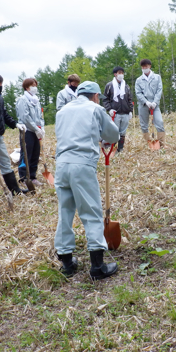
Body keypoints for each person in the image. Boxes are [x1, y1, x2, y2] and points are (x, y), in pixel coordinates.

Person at [54, 81, 120, 280]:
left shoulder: (61, 111)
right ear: (95, 95)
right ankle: (98, 267)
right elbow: (113, 134)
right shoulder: (95, 108)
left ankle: (66, 262)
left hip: (61, 165)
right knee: (91, 211)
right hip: (81, 164)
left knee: (65, 211)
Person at [16, 77, 45, 186]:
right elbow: (25, 117)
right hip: (27, 131)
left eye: (35, 85)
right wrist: (36, 128)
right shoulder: (22, 100)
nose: (35, 88)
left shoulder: (36, 101)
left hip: (36, 131)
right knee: (26, 154)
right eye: (32, 86)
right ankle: (24, 177)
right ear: (27, 87)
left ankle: (32, 176)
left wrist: (41, 128)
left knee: (35, 154)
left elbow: (40, 116)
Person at [134, 59, 165, 147]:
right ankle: (148, 144)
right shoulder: (139, 80)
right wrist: (146, 102)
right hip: (143, 105)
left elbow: (159, 90)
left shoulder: (157, 77)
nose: (144, 68)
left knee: (159, 122)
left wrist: (155, 102)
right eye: (143, 67)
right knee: (144, 125)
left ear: (150, 66)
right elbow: (138, 93)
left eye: (146, 66)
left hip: (155, 105)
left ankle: (162, 144)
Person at [103, 66, 133, 153]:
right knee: (114, 131)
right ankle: (110, 148)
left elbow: (129, 99)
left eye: (122, 73)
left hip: (125, 113)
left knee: (123, 132)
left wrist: (130, 110)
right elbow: (105, 99)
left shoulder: (126, 86)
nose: (121, 75)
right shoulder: (109, 85)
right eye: (119, 73)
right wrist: (109, 109)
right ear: (115, 74)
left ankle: (120, 149)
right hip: (115, 113)